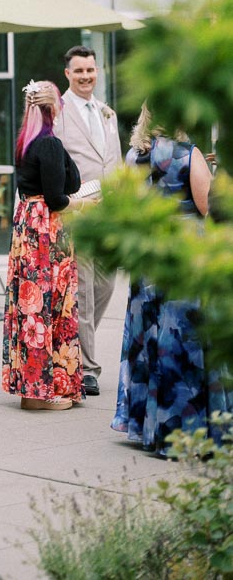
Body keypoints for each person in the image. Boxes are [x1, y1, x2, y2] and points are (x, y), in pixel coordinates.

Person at [112, 106, 227, 455]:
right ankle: (184, 431)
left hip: (147, 255)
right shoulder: (187, 154)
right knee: (181, 339)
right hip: (183, 253)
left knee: (147, 337)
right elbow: (208, 206)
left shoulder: (134, 156)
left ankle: (147, 427)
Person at [2, 80, 83, 411]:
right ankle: (46, 392)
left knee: (29, 307)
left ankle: (29, 387)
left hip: (27, 227)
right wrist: (80, 204)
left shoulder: (26, 142)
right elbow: (61, 194)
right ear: (54, 109)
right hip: (46, 228)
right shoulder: (48, 144)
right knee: (52, 304)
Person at [50, 46, 122, 396]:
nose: (86, 77)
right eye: (79, 71)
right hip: (78, 215)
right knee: (84, 292)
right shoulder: (59, 113)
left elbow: (116, 163)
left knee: (106, 285)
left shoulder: (107, 113)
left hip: (110, 216)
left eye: (90, 70)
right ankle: (87, 367)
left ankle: (75, 349)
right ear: (68, 74)